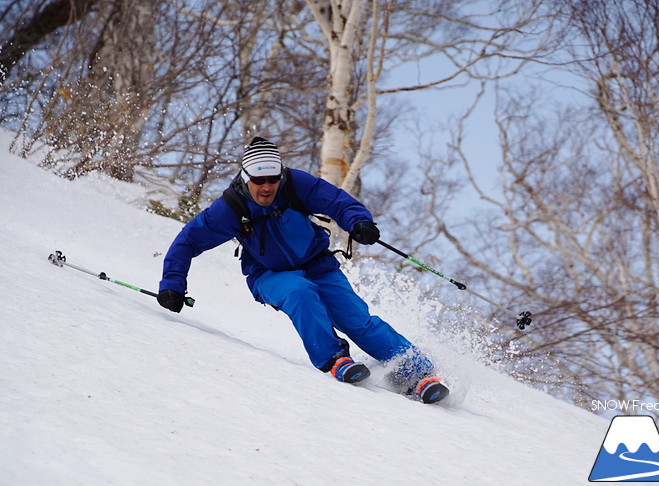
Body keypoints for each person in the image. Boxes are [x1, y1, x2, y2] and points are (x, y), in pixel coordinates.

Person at [157, 137, 448, 403]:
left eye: (272, 179)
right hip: (269, 275)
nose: (267, 187)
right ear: (246, 179)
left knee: (357, 320)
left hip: (318, 264)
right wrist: (172, 284)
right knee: (299, 291)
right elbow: (188, 241)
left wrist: (359, 222)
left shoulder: (295, 184)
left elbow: (337, 202)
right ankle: (334, 359)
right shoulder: (231, 208)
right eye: (259, 181)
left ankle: (417, 374)